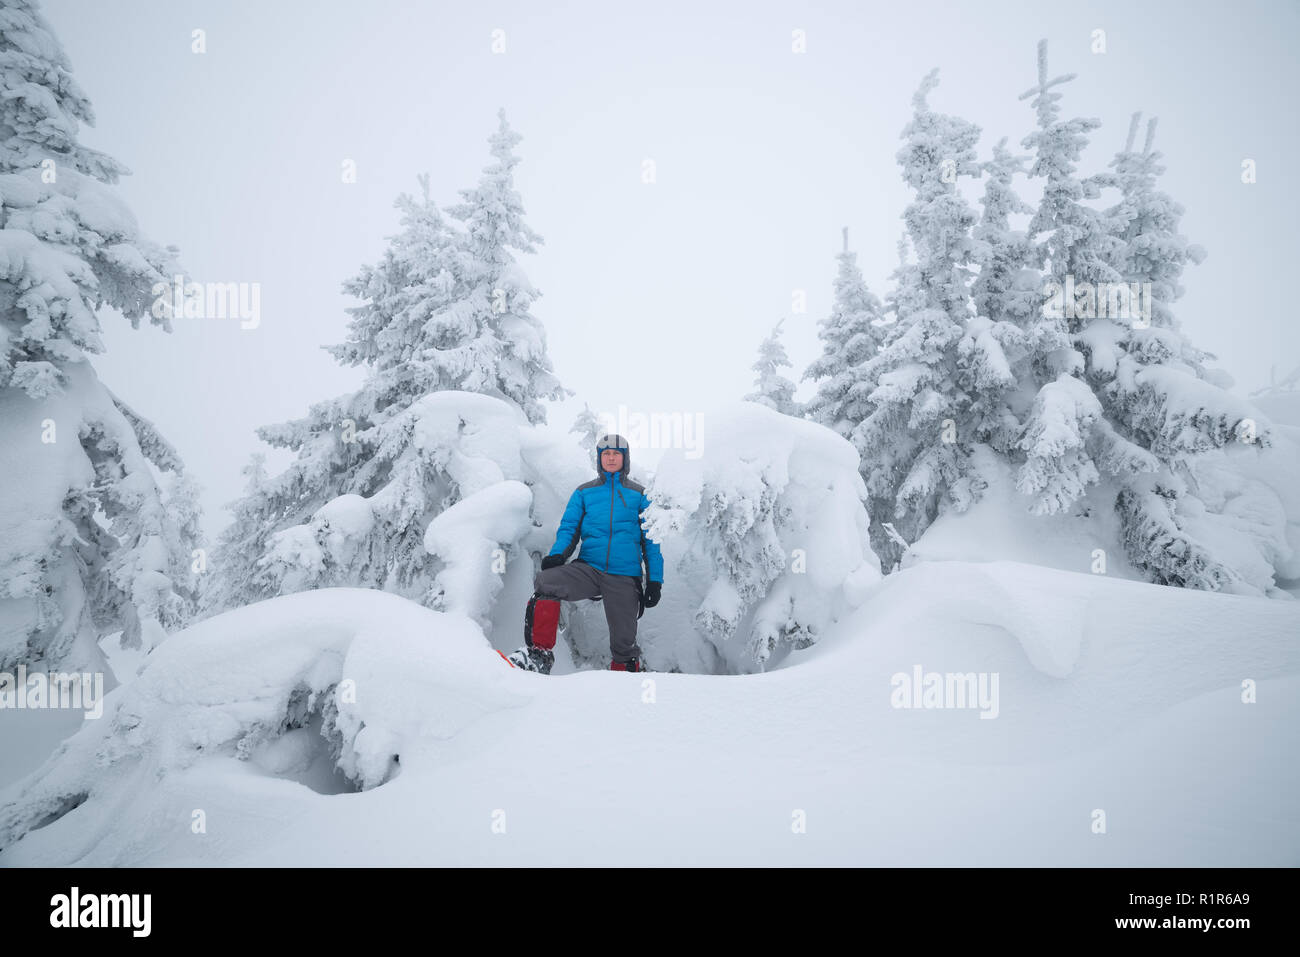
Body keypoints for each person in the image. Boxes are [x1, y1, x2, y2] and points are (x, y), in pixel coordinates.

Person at [508, 433, 664, 674]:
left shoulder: (640, 495)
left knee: (623, 643)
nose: (611, 458)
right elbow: (569, 528)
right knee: (547, 582)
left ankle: (624, 684)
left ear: (625, 459)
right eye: (606, 454)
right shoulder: (584, 493)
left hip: (624, 575)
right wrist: (558, 554)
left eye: (616, 454)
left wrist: (655, 581)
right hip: (589, 568)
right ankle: (539, 655)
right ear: (600, 459)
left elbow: (651, 542)